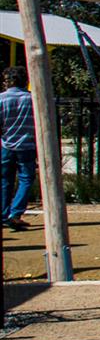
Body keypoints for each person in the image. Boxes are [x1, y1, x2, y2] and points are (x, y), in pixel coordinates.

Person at [0, 68, 36, 230]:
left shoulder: (1, 99)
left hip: (6, 144)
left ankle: (3, 213)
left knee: (5, 180)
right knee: (26, 179)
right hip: (27, 144)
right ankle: (15, 214)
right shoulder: (32, 100)